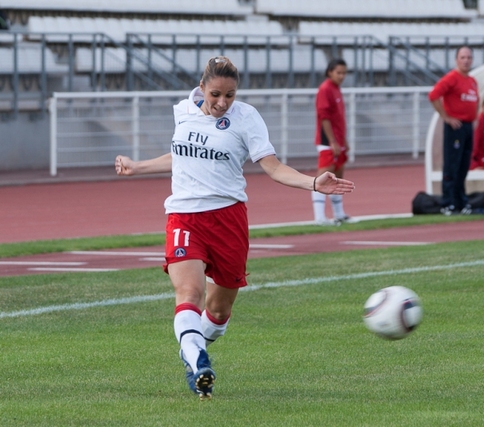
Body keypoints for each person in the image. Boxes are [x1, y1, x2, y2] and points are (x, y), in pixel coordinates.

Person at [114, 56, 355, 400]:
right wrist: (137, 166)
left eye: (230, 95)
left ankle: (193, 347)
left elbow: (273, 168)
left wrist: (313, 183)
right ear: (202, 87)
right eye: (215, 94)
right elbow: (182, 154)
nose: (222, 103)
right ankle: (198, 362)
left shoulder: (246, 118)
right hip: (183, 216)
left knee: (219, 311)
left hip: (228, 219)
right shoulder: (183, 109)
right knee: (189, 295)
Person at [428, 46, 479, 215]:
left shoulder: (472, 81)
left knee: (464, 165)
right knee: (452, 165)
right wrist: (446, 117)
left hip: (467, 127)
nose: (466, 60)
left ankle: (460, 201)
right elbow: (433, 95)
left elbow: (474, 102)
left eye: (468, 57)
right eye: (463, 57)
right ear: (457, 60)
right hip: (455, 127)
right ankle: (447, 202)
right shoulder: (451, 78)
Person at [312, 58, 352, 225]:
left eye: (344, 73)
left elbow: (338, 119)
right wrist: (333, 141)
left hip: (338, 140)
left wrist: (343, 140)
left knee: (337, 177)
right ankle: (319, 217)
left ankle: (339, 213)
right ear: (330, 72)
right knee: (323, 177)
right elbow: (324, 117)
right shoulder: (325, 89)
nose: (342, 76)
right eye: (338, 72)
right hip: (328, 141)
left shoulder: (336, 89)